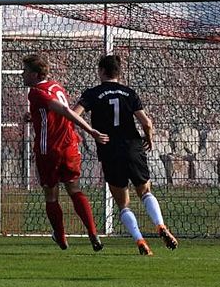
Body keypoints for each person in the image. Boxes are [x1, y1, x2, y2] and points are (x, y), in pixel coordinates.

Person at [72, 54, 178, 256]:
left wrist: (91, 131)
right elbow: (146, 123)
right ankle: (160, 225)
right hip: (133, 147)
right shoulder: (129, 93)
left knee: (123, 204)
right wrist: (149, 138)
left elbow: (74, 114)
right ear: (118, 72)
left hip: (109, 149)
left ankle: (140, 240)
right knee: (145, 192)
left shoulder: (93, 93)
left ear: (101, 71)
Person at [22, 53, 109, 252]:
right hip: (70, 146)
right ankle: (93, 233)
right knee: (74, 189)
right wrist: (34, 115)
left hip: (49, 149)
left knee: (51, 195)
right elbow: (53, 113)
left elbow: (64, 110)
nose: (22, 74)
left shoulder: (36, 92)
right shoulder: (56, 86)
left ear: (34, 74)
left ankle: (60, 237)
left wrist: (91, 131)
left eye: (25, 71)